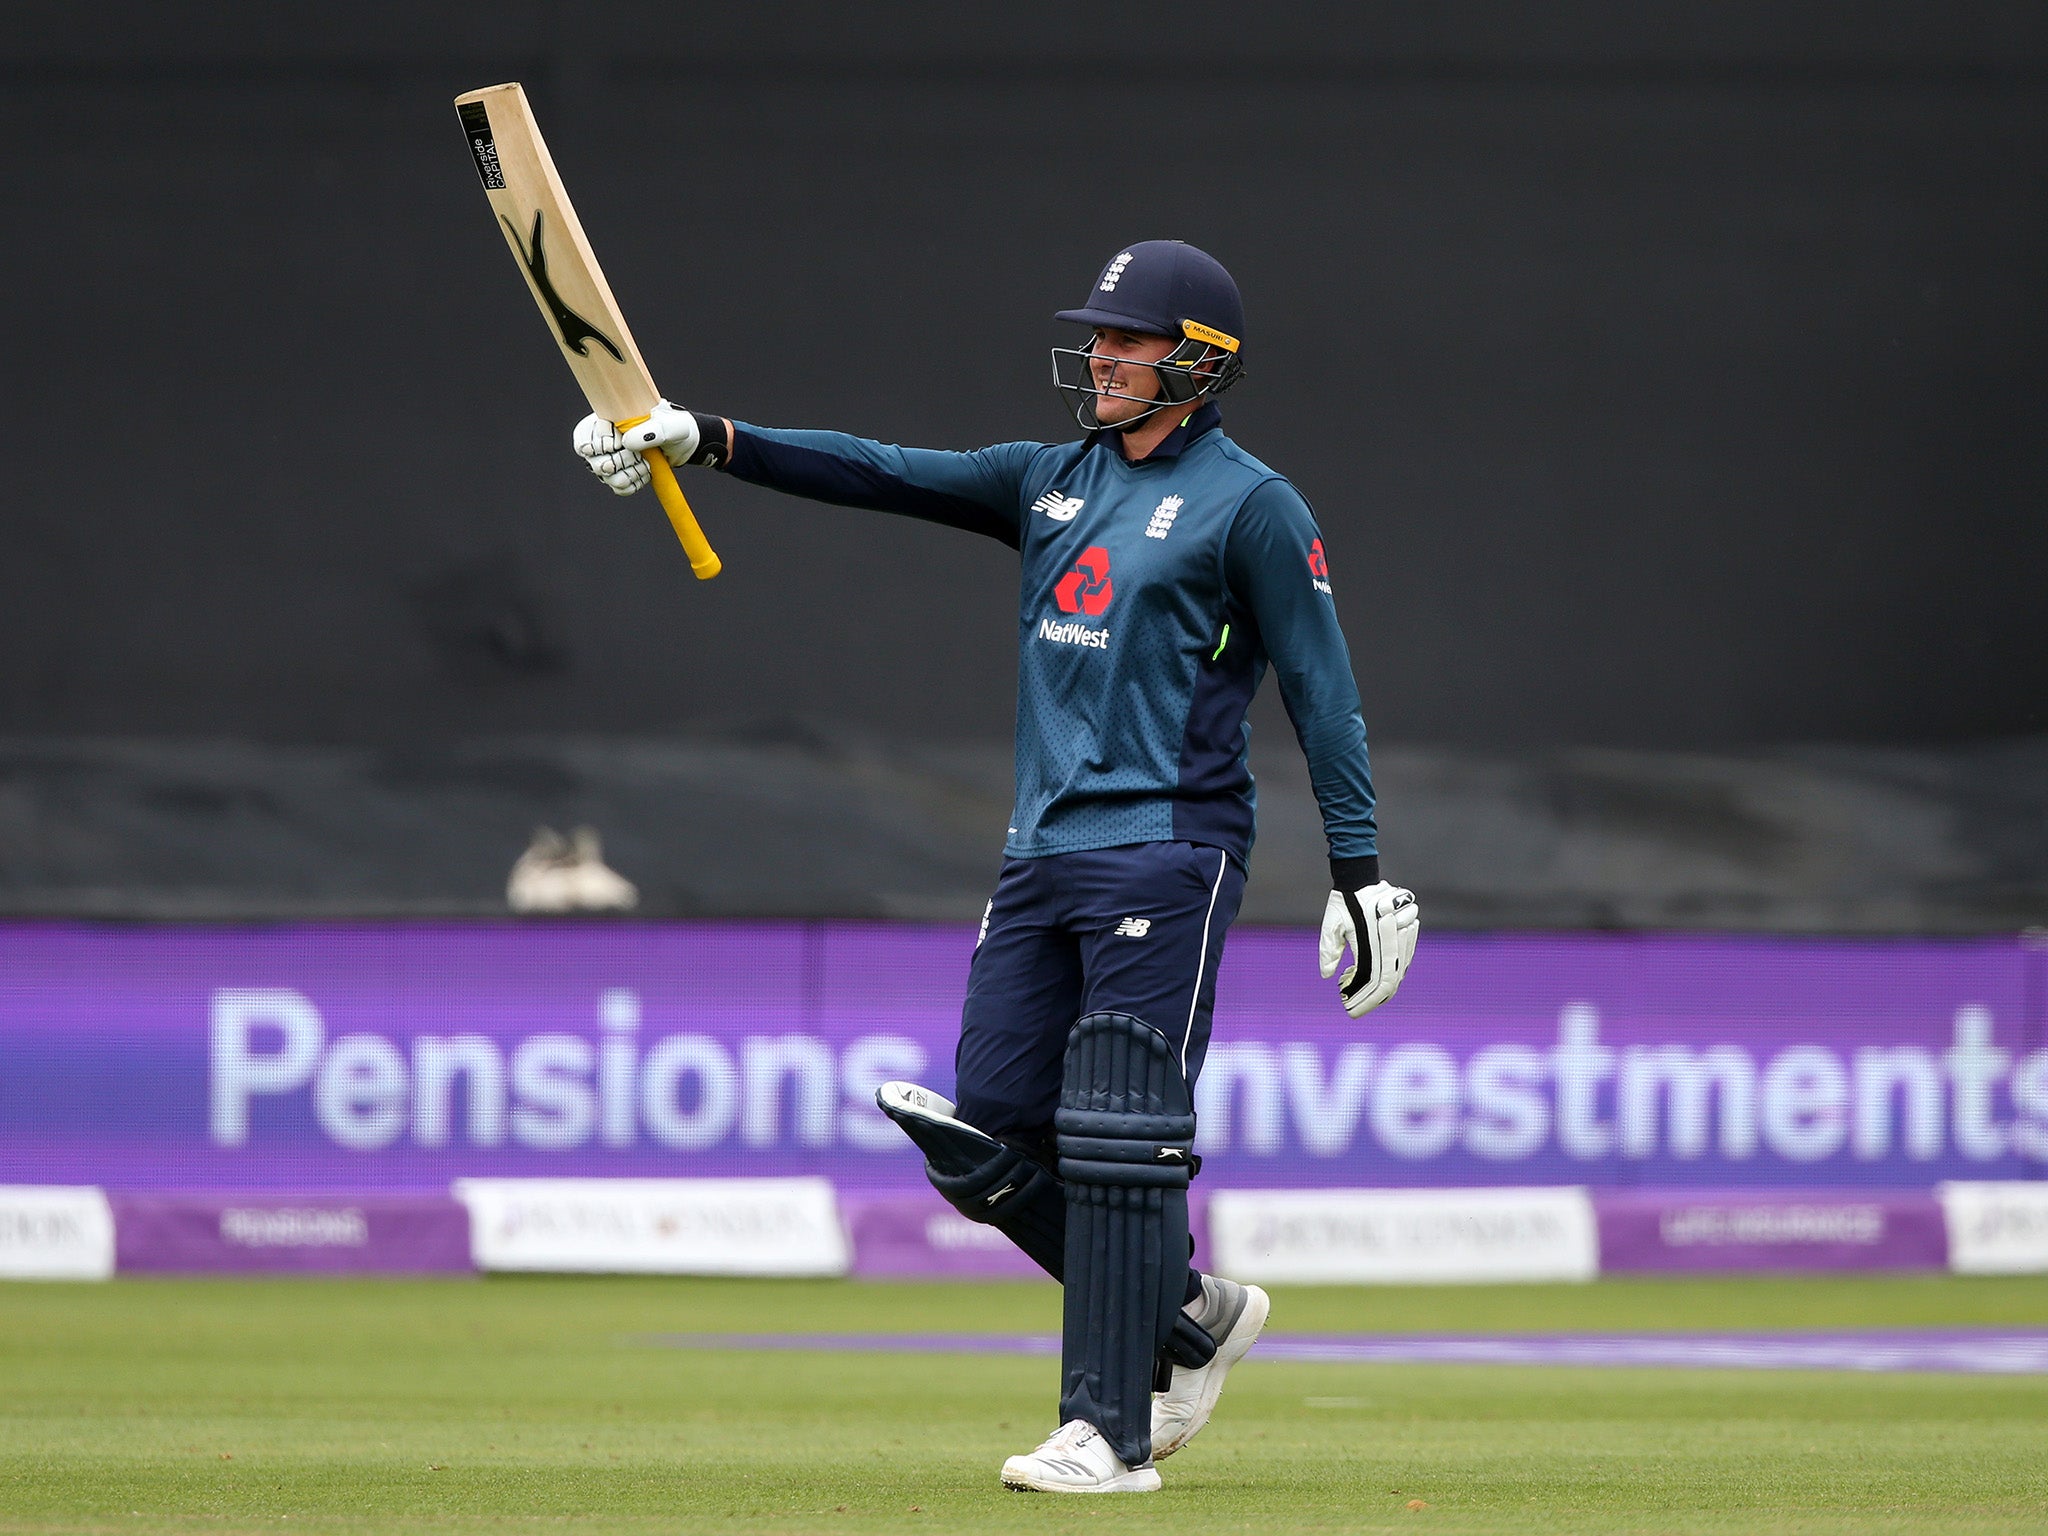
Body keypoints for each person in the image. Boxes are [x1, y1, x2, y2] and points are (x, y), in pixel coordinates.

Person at [573, 240, 1420, 1494]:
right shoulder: (1048, 477)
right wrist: (698, 437)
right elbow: (878, 471)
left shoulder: (1251, 504)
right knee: (984, 1136)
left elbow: (1323, 692)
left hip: (1167, 849)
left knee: (1117, 1137)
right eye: (1099, 338)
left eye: (1128, 341)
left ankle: (1109, 1433)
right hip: (1039, 853)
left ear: (1196, 360)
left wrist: (1360, 869)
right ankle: (1185, 1320)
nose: (1103, 357)